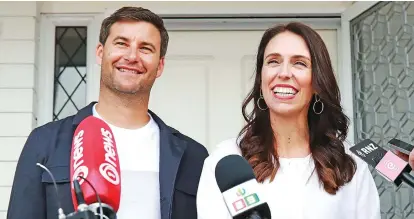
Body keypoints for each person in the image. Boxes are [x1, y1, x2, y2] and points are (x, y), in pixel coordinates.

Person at [7, 6, 208, 219]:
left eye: (145, 48)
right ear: (100, 53)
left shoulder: (194, 156)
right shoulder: (44, 142)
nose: (132, 56)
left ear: (159, 66)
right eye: (121, 43)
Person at [196, 22, 381, 219]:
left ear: (317, 82)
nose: (283, 73)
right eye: (273, 61)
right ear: (261, 79)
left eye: (299, 63)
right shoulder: (226, 160)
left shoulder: (349, 164)